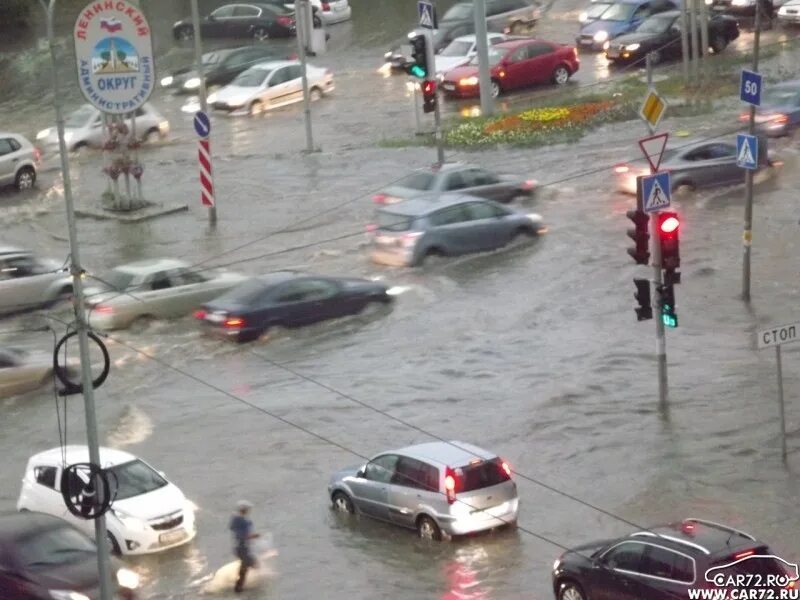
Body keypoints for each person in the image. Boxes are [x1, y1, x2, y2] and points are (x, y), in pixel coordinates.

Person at [229, 500, 260, 593]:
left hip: (238, 548)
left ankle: (239, 586)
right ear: (245, 510)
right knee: (252, 565)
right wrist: (254, 536)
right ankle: (238, 588)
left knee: (247, 565)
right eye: (247, 509)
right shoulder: (244, 521)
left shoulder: (235, 519)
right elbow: (244, 535)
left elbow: (232, 528)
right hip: (243, 548)